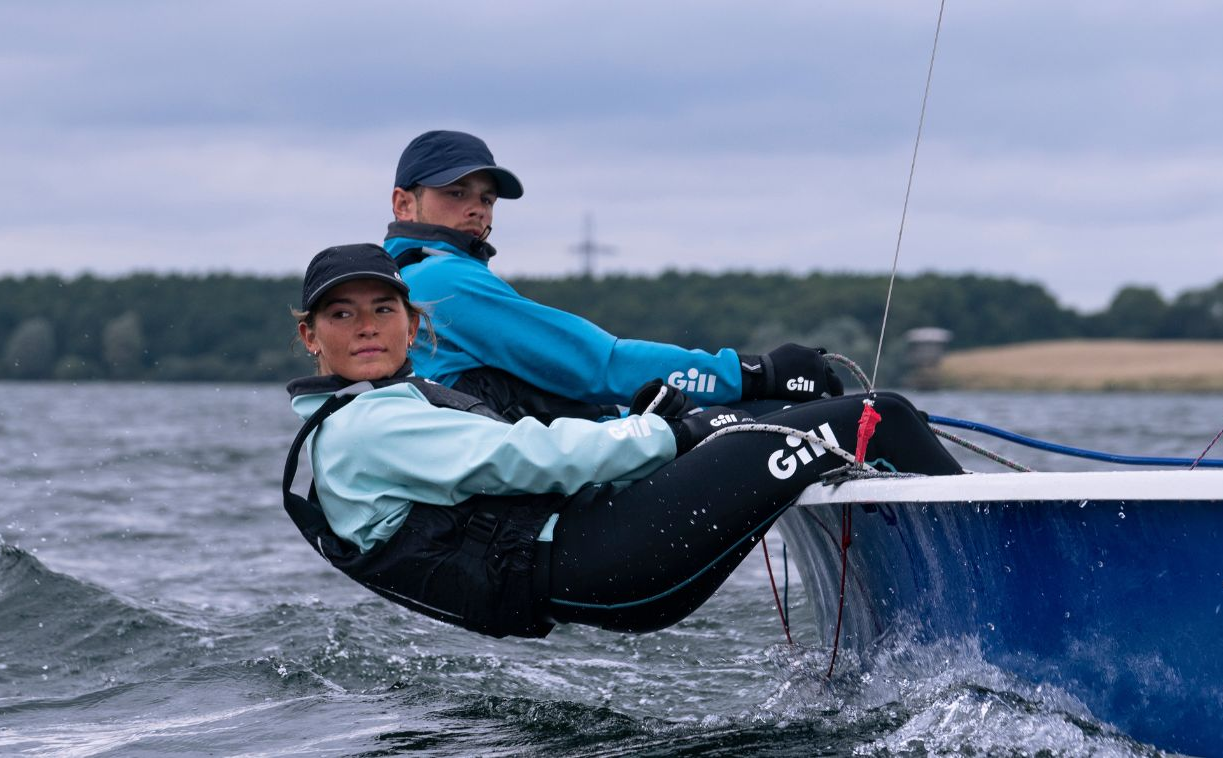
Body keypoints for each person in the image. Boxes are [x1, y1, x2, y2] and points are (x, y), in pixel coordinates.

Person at [284, 244, 961, 637]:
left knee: (783, 414)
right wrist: (672, 432)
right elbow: (531, 458)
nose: (365, 327)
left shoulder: (363, 420)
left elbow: (523, 452)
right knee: (884, 416)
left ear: (412, 327)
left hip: (601, 567)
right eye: (341, 314)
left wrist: (656, 428)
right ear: (311, 336)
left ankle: (930, 627)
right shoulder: (371, 425)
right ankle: (1021, 595)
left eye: (381, 309)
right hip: (609, 560)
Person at [382, 129, 843, 423]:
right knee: (788, 412)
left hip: (525, 494)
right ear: (404, 204)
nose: (476, 209)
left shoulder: (407, 278)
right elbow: (600, 364)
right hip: (543, 514)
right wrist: (754, 374)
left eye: (486, 198)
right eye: (455, 192)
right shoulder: (442, 282)